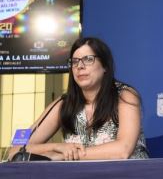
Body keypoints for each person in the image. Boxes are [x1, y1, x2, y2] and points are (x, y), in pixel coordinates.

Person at [8, 37, 148, 160]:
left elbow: (122, 150)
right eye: (74, 62)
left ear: (104, 66)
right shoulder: (64, 103)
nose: (79, 66)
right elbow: (16, 150)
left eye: (88, 59)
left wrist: (64, 156)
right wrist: (58, 147)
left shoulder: (125, 96)